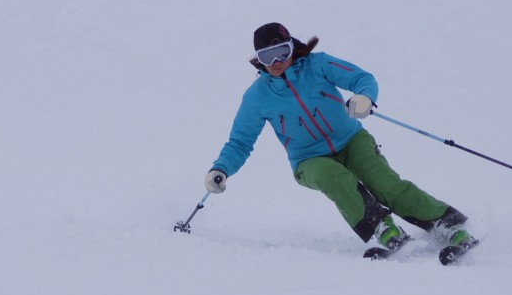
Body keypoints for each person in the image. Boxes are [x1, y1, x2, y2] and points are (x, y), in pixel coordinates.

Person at [204, 23, 476, 252]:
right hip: (308, 160)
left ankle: (447, 224)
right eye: (267, 56)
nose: (276, 62)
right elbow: (240, 141)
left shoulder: (318, 64)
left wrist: (364, 97)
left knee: (385, 183)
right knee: (335, 178)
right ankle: (382, 227)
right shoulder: (257, 96)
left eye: (281, 52)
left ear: (292, 46)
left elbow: (361, 78)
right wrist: (221, 169)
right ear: (258, 60)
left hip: (351, 140)